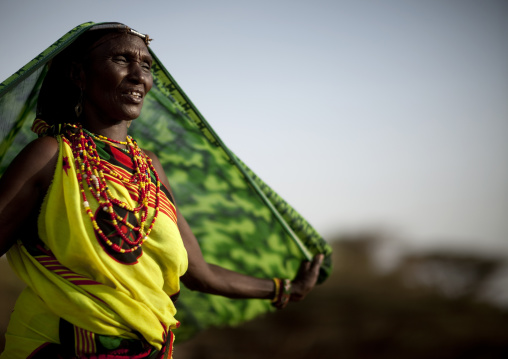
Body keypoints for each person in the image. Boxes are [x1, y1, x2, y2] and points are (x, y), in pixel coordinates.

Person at [0, 23, 324, 358]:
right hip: (56, 347)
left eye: (146, 65)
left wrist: (287, 289)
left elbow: (201, 274)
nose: (138, 75)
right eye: (121, 60)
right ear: (79, 74)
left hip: (151, 349)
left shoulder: (149, 169)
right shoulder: (51, 155)